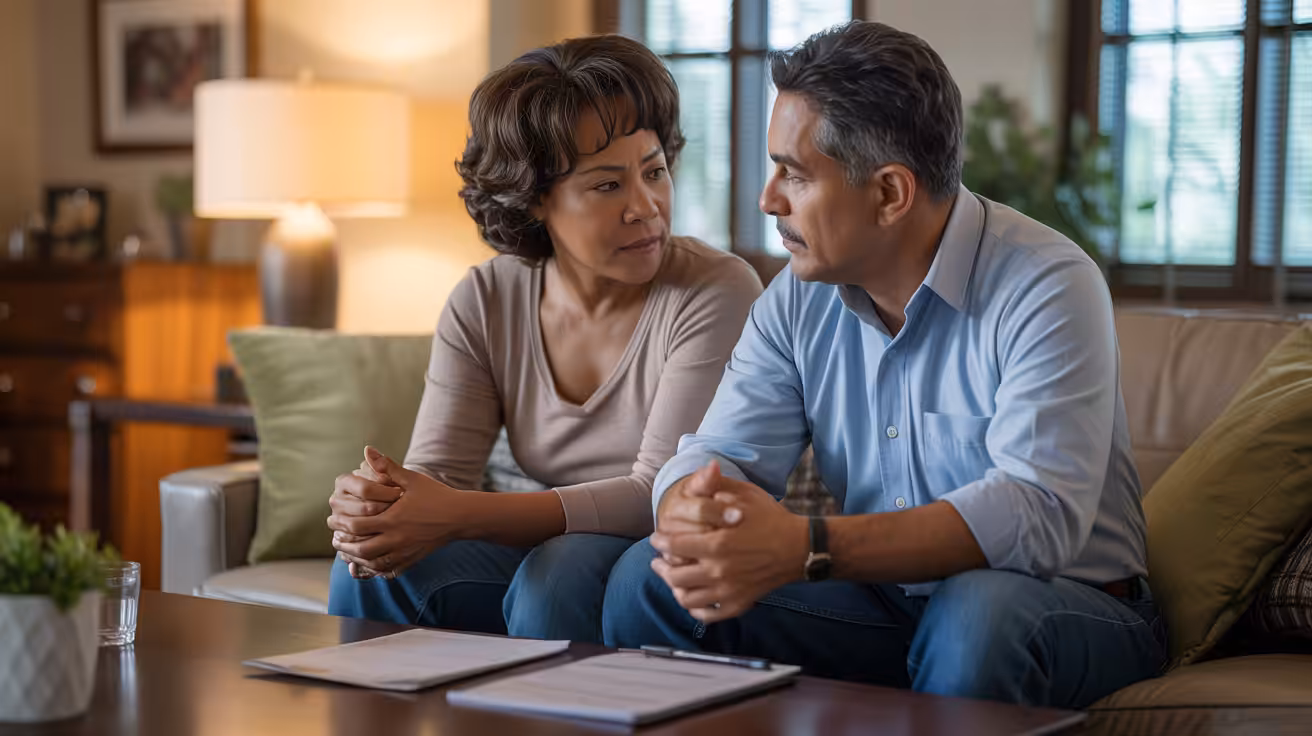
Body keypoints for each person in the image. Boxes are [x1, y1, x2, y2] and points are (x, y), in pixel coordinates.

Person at [602, 21, 1165, 709]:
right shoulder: (797, 297)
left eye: (795, 174)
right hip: (884, 607)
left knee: (976, 615)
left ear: (891, 193)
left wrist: (806, 545)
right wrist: (692, 508)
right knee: (649, 579)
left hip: (1066, 607)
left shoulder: (1047, 282)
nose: (768, 198)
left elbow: (1037, 515)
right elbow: (721, 454)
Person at [325, 34, 762, 644]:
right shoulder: (486, 298)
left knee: (557, 578)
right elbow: (439, 474)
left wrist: (456, 514)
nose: (647, 208)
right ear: (534, 201)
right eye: (608, 186)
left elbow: (655, 494)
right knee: (376, 569)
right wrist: (382, 506)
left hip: (656, 556)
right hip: (544, 548)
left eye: (654, 172)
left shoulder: (715, 289)